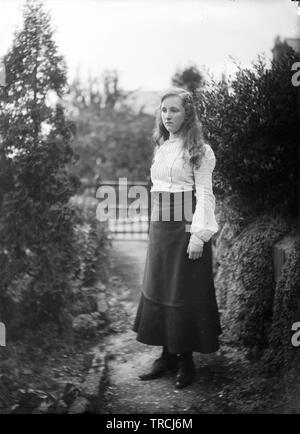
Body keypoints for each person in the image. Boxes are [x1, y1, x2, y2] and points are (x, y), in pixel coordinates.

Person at [132, 87, 222, 389]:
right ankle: (166, 355)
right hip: (161, 228)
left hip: (186, 226)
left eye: (174, 110)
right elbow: (158, 189)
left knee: (182, 290)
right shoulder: (162, 146)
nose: (167, 116)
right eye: (164, 110)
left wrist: (199, 236)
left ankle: (186, 362)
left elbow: (206, 195)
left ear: (188, 114)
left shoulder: (200, 150)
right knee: (160, 288)